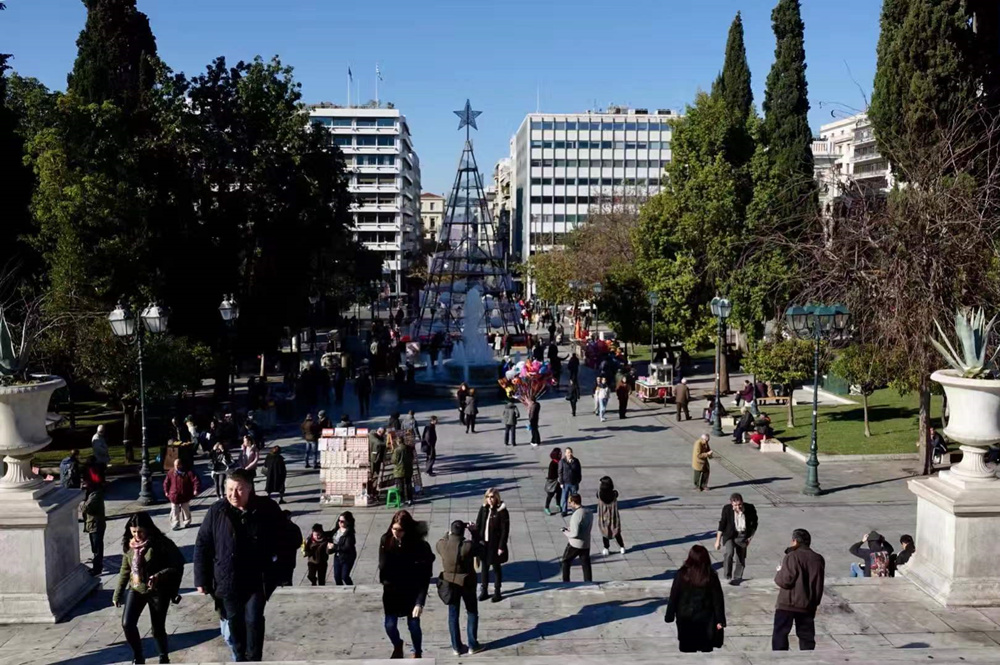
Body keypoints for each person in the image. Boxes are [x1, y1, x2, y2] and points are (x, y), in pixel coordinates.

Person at [195, 469, 299, 662]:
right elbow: (203, 543)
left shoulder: (266, 508)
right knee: (234, 621)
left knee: (253, 619)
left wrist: (281, 568)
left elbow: (289, 538)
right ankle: (240, 657)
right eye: (230, 489)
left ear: (250, 488)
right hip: (228, 578)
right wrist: (201, 579)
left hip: (257, 579)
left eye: (239, 489)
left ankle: (254, 658)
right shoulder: (217, 510)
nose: (233, 494)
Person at [113, 512, 185, 665]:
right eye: (134, 532)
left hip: (158, 590)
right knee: (127, 623)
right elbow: (125, 570)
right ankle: (138, 656)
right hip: (136, 587)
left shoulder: (162, 543)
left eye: (140, 532)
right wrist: (117, 593)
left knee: (157, 628)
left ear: (148, 529)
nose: (137, 535)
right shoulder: (130, 545)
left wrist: (159, 576)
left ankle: (163, 658)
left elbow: (177, 565)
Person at [379, 509, 435, 659]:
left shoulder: (420, 546)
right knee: (390, 625)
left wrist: (420, 602)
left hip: (411, 591)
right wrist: (384, 578)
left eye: (400, 530)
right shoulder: (386, 540)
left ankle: (417, 651)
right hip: (392, 591)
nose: (396, 533)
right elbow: (382, 563)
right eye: (394, 529)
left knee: (414, 625)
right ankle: (398, 644)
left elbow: (425, 576)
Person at [664, 544, 726, 653]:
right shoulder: (710, 576)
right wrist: (720, 620)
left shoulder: (682, 574)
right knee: (705, 648)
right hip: (705, 619)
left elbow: (674, 596)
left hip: (686, 618)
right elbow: (718, 600)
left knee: (687, 647)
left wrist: (670, 615)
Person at [772, 528, 825, 651]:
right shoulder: (818, 558)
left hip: (788, 603)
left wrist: (780, 572)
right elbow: (819, 582)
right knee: (807, 637)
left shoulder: (792, 556)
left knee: (780, 634)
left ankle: (780, 659)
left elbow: (786, 581)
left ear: (795, 541)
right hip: (808, 604)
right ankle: (808, 658)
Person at [437, 520, 484, 655]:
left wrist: (448, 534)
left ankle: (456, 647)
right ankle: (472, 645)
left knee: (453, 615)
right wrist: (474, 532)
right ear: (463, 532)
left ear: (451, 531)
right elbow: (481, 547)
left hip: (450, 584)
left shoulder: (441, 545)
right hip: (467, 583)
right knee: (471, 612)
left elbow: (442, 539)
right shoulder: (467, 546)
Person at [714, 492, 759, 585]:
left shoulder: (750, 508)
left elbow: (754, 524)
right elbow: (722, 524)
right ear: (731, 504)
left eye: (740, 505)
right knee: (729, 553)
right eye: (735, 505)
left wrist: (750, 538)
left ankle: (737, 577)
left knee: (740, 557)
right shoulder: (727, 509)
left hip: (742, 535)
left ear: (742, 502)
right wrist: (717, 541)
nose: (738, 507)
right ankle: (727, 576)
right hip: (730, 535)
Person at [475, 487, 510, 602]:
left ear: (496, 498)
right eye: (487, 497)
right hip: (484, 543)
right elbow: (479, 524)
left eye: (492, 497)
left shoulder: (502, 511)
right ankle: (484, 590)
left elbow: (505, 531)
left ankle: (497, 591)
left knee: (496, 568)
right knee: (484, 568)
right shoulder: (484, 509)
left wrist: (501, 546)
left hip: (495, 544)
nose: (489, 499)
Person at [561, 493, 593, 582]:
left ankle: (566, 582)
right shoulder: (588, 511)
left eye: (569, 502)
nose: (569, 504)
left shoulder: (577, 515)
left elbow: (575, 534)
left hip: (575, 544)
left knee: (566, 561)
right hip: (586, 543)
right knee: (585, 564)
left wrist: (565, 532)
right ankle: (588, 582)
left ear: (574, 502)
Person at [163, 458, 200, 530]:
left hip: (185, 493)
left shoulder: (188, 472)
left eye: (177, 465)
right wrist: (166, 491)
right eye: (175, 465)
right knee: (174, 509)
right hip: (174, 494)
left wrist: (196, 490)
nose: (176, 467)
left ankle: (187, 522)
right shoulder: (171, 472)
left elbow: (195, 481)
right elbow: (166, 483)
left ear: (181, 465)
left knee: (185, 509)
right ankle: (175, 523)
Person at [82, 467, 106, 576]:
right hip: (92, 525)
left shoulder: (95, 495)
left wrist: (82, 501)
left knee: (97, 549)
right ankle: (96, 566)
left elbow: (86, 508)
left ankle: (97, 568)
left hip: (96, 525)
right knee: (94, 547)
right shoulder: (92, 494)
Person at [596, 476, 626, 556]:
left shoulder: (599, 494)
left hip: (603, 517)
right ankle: (622, 547)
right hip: (613, 516)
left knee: (605, 532)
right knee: (616, 532)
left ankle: (606, 548)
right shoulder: (614, 493)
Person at [275, 510, 302, 588]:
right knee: (287, 578)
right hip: (288, 557)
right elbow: (298, 542)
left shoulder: (277, 527)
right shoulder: (294, 527)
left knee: (282, 578)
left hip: (283, 557)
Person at [331, 511, 357, 585]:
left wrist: (334, 546)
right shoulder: (336, 530)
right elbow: (328, 534)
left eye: (342, 521)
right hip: (338, 556)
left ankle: (351, 588)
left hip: (347, 557)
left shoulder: (349, 534)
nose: (339, 522)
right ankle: (340, 590)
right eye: (339, 520)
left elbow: (347, 547)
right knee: (337, 577)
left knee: (345, 576)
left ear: (347, 522)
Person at [392, 433, 416, 506]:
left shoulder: (397, 450)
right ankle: (409, 499)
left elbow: (394, 461)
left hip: (399, 470)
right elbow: (412, 457)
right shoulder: (409, 448)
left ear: (398, 442)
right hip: (408, 469)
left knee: (400, 485)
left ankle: (401, 499)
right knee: (408, 484)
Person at [559, 447, 582, 516]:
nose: (569, 454)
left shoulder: (576, 461)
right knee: (564, 497)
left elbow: (579, 471)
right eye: (568, 452)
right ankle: (564, 510)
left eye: (570, 452)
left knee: (574, 497)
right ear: (565, 453)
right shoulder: (562, 461)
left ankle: (574, 509)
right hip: (565, 483)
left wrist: (578, 480)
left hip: (574, 482)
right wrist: (561, 482)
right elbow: (560, 472)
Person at [544, 447, 562, 515]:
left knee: (559, 493)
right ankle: (546, 507)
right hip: (553, 482)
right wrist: (558, 475)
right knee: (550, 495)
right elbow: (551, 475)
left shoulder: (559, 462)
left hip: (558, 482)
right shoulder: (553, 463)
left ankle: (558, 504)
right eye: (559, 453)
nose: (561, 454)